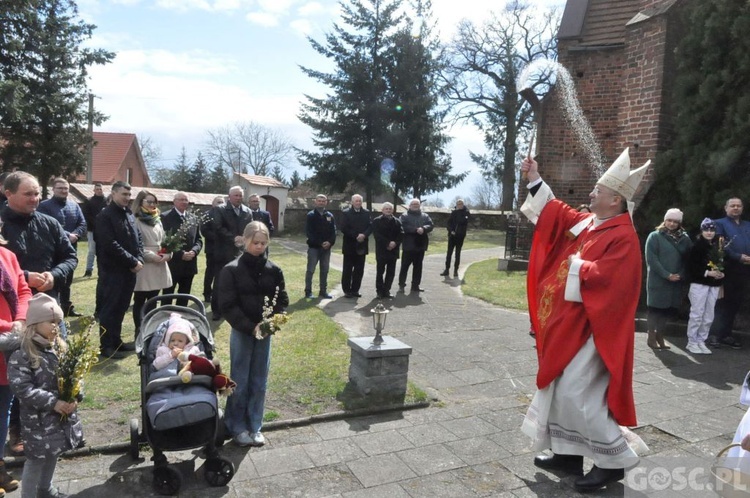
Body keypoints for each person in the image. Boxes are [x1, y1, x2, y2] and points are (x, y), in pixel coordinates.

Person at [519, 148, 648, 493]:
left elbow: (616, 283)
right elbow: (554, 213)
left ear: (616, 201)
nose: (591, 194)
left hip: (593, 332)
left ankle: (612, 462)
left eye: (598, 191)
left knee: (580, 394)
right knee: (561, 389)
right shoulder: (591, 222)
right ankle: (567, 454)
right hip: (569, 326)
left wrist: (575, 266)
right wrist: (534, 178)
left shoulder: (623, 236)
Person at [216, 221, 288, 447]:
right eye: (255, 242)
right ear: (245, 241)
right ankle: (236, 425)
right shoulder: (231, 270)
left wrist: (271, 323)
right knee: (241, 380)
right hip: (242, 332)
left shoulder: (274, 270)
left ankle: (255, 424)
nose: (259, 247)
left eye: (263, 243)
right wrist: (250, 326)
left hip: (264, 333)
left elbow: (281, 300)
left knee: (259, 380)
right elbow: (227, 305)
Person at [8, 293, 83, 498]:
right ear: (35, 323)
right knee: (36, 460)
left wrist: (75, 397)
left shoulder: (60, 347)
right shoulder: (23, 353)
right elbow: (22, 389)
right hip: (37, 422)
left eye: (59, 321)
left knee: (54, 453)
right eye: (51, 321)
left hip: (59, 418)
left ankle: (46, 489)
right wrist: (53, 403)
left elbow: (76, 375)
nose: (56, 326)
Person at [95, 181, 143, 359]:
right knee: (110, 309)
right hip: (112, 271)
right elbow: (109, 244)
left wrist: (139, 258)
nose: (127, 198)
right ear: (113, 194)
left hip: (129, 271)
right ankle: (106, 345)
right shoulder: (105, 216)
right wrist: (132, 261)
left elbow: (137, 237)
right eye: (124, 194)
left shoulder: (128, 213)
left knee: (121, 307)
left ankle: (116, 341)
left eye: (129, 195)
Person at [0, 236, 31, 495]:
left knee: (3, 409)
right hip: (8, 336)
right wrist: (10, 328)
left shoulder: (7, 255)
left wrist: (20, 320)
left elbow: (23, 290)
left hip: (6, 351)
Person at [38, 178, 87, 317]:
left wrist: (76, 234)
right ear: (53, 189)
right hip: (52, 249)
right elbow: (45, 225)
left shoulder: (74, 205)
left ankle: (67, 307)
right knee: (54, 278)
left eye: (66, 188)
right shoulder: (44, 206)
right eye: (60, 188)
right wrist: (67, 235)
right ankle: (53, 308)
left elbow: (82, 223)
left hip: (71, 248)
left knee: (68, 279)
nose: (63, 191)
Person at [644, 208, 692, 350]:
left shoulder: (685, 239)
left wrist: (681, 274)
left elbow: (688, 259)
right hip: (658, 280)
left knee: (667, 310)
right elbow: (652, 259)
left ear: (679, 223)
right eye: (669, 220)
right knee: (655, 310)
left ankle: (660, 335)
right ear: (664, 221)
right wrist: (666, 274)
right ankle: (651, 336)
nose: (671, 224)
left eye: (675, 221)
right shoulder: (654, 236)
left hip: (675, 281)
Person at [708, 197, 750, 349]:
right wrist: (738, 256)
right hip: (727, 269)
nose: (736, 208)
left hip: (744, 271)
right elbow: (720, 244)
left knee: (735, 303)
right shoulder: (719, 224)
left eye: (739, 206)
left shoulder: (747, 225)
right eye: (732, 206)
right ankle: (714, 334)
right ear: (726, 208)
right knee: (722, 302)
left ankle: (726, 334)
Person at [132, 190, 172, 339]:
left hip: (159, 264)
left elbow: (165, 240)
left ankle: (151, 328)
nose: (152, 204)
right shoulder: (135, 220)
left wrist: (169, 253)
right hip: (145, 265)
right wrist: (151, 256)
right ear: (140, 202)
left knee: (154, 299)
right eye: (149, 201)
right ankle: (139, 329)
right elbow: (135, 245)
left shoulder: (157, 219)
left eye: (154, 202)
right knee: (140, 300)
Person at [211, 187, 251, 320]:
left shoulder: (247, 211)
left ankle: (234, 308)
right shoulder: (220, 209)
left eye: (240, 195)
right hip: (223, 252)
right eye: (236, 195)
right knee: (220, 282)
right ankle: (216, 310)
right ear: (229, 196)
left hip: (240, 252)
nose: (238, 198)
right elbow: (218, 227)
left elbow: (250, 229)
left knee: (238, 282)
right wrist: (233, 238)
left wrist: (244, 239)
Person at [685, 218, 724, 354]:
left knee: (709, 315)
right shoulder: (696, 246)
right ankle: (692, 341)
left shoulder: (718, 246)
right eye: (706, 230)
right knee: (697, 313)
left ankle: (701, 340)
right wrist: (708, 273)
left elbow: (723, 263)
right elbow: (691, 267)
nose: (709, 233)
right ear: (701, 231)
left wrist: (720, 274)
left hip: (713, 285)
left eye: (711, 230)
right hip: (699, 284)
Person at [161, 192, 202, 306]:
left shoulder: (193, 218)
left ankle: (180, 317)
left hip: (189, 263)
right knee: (168, 294)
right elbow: (163, 241)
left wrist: (194, 251)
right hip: (173, 263)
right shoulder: (165, 217)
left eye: (186, 200)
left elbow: (198, 239)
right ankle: (165, 316)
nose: (184, 202)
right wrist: (181, 254)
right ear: (174, 201)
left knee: (184, 295)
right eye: (181, 199)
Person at [304, 194, 337, 299]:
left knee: (324, 270)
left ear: (326, 202)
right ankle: (308, 292)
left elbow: (334, 231)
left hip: (326, 249)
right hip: (314, 248)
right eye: (319, 201)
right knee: (310, 270)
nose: (321, 203)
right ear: (315, 202)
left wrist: (330, 242)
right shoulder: (311, 215)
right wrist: (320, 243)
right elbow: (309, 232)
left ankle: (323, 291)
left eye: (323, 201)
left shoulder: (330, 215)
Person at [398, 199, 434, 293]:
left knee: (418, 267)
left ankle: (415, 286)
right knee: (404, 267)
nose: (415, 205)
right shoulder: (404, 216)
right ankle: (401, 285)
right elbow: (401, 226)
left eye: (417, 204)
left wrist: (423, 228)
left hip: (420, 245)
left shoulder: (425, 216)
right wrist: (415, 230)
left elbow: (430, 225)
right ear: (409, 205)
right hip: (408, 245)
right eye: (413, 204)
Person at [340, 194, 372, 298]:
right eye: (356, 201)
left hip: (362, 246)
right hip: (349, 245)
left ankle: (355, 290)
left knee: (359, 270)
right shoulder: (346, 213)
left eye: (360, 201)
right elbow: (344, 228)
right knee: (347, 270)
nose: (358, 203)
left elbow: (370, 226)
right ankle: (347, 290)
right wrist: (356, 236)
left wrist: (364, 235)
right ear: (352, 202)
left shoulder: (366, 213)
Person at [371, 202, 403, 299]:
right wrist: (388, 243)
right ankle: (379, 292)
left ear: (392, 210)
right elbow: (377, 235)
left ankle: (387, 291)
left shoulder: (397, 221)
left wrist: (395, 243)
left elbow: (401, 234)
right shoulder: (376, 221)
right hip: (382, 250)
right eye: (386, 209)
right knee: (380, 272)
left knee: (391, 272)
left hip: (393, 251)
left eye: (390, 209)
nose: (388, 210)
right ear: (382, 210)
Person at [202, 196, 225, 304]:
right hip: (212, 249)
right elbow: (204, 231)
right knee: (210, 273)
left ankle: (219, 294)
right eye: (218, 202)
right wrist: (219, 238)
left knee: (222, 274)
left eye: (222, 202)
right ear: (213, 204)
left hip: (224, 250)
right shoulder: (207, 214)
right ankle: (207, 293)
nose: (220, 204)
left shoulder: (226, 214)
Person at [81, 182, 107, 278]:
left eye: (100, 189)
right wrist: (96, 223)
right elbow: (86, 215)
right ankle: (88, 270)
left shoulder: (107, 201)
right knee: (92, 250)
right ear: (94, 190)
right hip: (92, 229)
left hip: (105, 230)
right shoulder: (89, 201)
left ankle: (102, 270)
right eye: (97, 189)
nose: (99, 191)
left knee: (104, 251)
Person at [441, 199, 470, 278]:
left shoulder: (466, 212)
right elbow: (448, 223)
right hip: (452, 236)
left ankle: (455, 270)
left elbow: (463, 222)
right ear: (456, 205)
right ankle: (447, 269)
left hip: (460, 236)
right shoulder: (453, 213)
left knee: (457, 253)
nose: (459, 205)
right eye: (458, 204)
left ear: (463, 204)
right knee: (449, 253)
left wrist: (460, 213)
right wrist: (451, 230)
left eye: (461, 204)